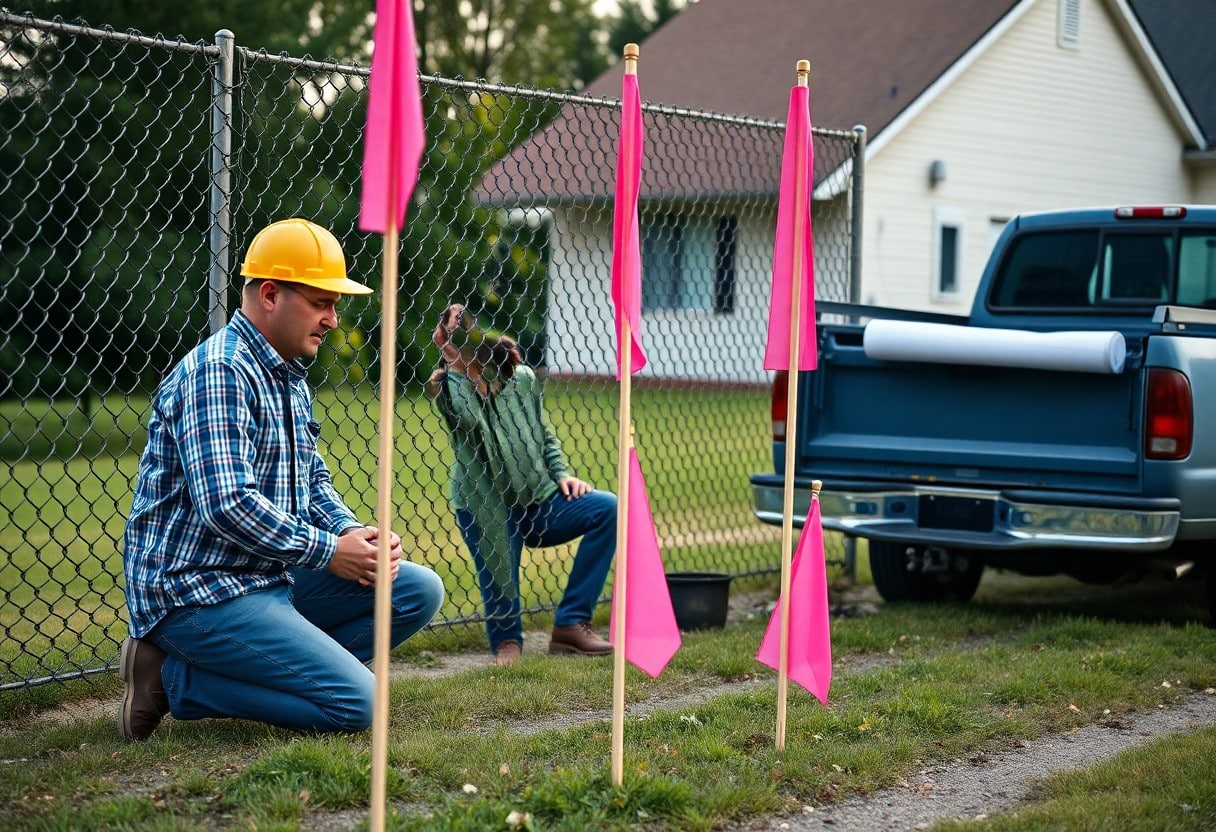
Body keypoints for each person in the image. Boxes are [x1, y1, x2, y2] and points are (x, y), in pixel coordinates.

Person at [120, 218, 445, 741]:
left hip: (268, 573)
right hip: (197, 588)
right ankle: (174, 680)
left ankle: (276, 665)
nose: (334, 320)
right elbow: (226, 504)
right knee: (357, 704)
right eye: (322, 303)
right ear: (270, 295)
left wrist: (348, 534)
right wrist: (326, 552)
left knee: (413, 589)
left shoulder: (288, 372)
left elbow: (311, 477)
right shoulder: (221, 371)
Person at [427, 304, 616, 667]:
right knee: (499, 573)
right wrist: (455, 365)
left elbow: (543, 434)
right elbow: (466, 418)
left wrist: (562, 474)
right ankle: (507, 642)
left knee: (606, 509)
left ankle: (571, 625)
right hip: (485, 504)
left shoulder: (523, 380)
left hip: (538, 498)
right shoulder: (451, 389)